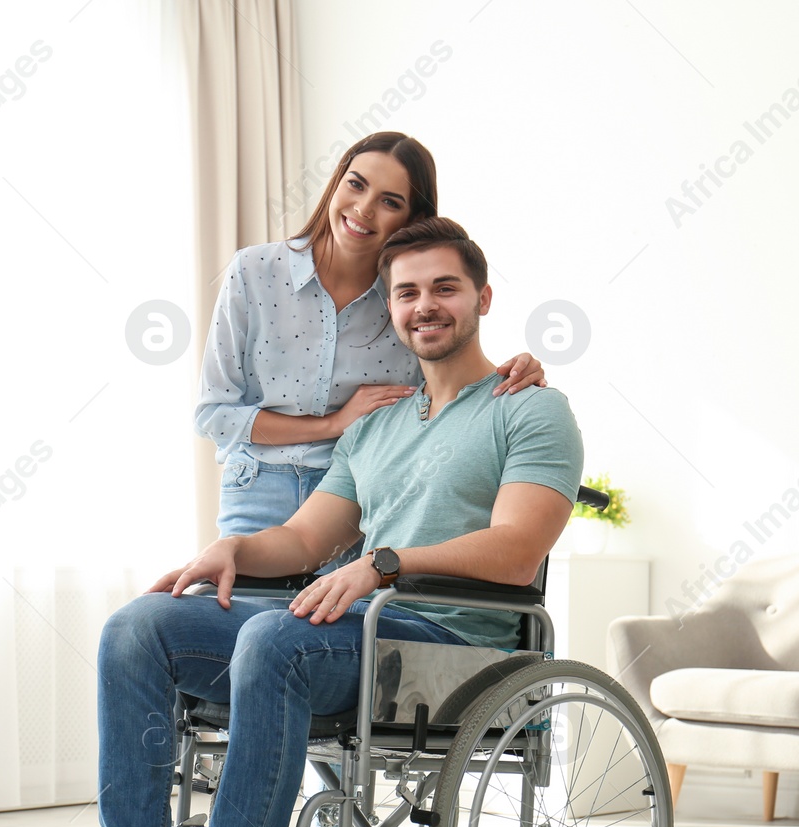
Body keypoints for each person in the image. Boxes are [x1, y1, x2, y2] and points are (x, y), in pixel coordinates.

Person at [1, 218, 583, 827]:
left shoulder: (530, 409)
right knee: (140, 628)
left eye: (445, 287)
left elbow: (516, 550)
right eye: (406, 292)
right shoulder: (377, 423)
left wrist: (384, 563)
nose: (425, 305)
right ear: (392, 306)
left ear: (482, 296)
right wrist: (234, 551)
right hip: (372, 635)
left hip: (458, 650)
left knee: (278, 640)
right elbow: (308, 539)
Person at [192, 131, 546, 564]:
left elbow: (448, 373)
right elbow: (216, 415)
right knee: (235, 621)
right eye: (356, 184)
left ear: (410, 219)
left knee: (323, 628)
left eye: (390, 201)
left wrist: (518, 373)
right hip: (259, 487)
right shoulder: (254, 270)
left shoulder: (406, 301)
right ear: (338, 180)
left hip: (363, 496)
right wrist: (334, 423)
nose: (363, 208)